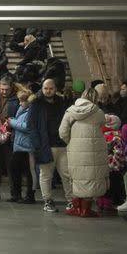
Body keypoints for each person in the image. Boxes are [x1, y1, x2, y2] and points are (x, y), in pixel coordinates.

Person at [59, 88, 109, 218]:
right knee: (91, 177)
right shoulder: (98, 112)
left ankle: (77, 208)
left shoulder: (70, 111)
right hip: (94, 149)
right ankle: (86, 209)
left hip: (75, 148)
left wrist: (71, 141)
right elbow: (103, 125)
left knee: (77, 176)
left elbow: (62, 132)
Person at [36, 78, 73, 213]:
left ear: (56, 89)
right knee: (46, 175)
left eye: (51, 88)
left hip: (62, 144)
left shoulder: (62, 103)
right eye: (46, 88)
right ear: (42, 89)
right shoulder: (37, 103)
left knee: (67, 174)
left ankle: (71, 200)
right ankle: (47, 201)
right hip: (46, 145)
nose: (48, 91)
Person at [8, 91, 45, 204]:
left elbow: (27, 127)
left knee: (30, 172)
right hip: (19, 146)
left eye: (22, 101)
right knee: (14, 169)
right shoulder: (22, 110)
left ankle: (30, 195)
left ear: (28, 102)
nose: (20, 103)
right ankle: (17, 194)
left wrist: (12, 122)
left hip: (28, 147)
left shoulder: (32, 112)